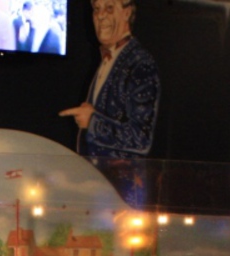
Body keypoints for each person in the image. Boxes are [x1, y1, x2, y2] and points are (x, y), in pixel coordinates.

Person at [58, 0, 159, 160]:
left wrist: (92, 122)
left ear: (127, 13)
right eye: (96, 9)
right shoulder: (111, 57)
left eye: (109, 8)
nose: (100, 16)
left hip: (119, 175)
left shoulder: (140, 63)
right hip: (97, 173)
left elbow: (141, 139)